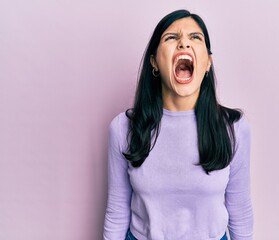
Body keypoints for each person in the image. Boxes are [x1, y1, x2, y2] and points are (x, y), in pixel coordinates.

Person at [103, 9, 253, 240]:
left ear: (207, 63)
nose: (184, 43)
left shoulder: (234, 128)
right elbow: (117, 210)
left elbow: (240, 212)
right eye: (171, 37)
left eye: (195, 38)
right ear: (154, 61)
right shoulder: (123, 128)